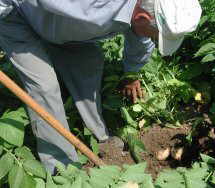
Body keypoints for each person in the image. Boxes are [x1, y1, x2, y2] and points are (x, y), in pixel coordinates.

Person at [0, 0, 201, 173]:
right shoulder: (91, 3)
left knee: (90, 60)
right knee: (44, 87)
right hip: (16, 14)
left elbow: (141, 37)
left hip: (58, 22)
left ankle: (101, 137)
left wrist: (131, 72)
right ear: (140, 17)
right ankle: (61, 168)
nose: (152, 40)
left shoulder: (141, 10)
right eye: (154, 35)